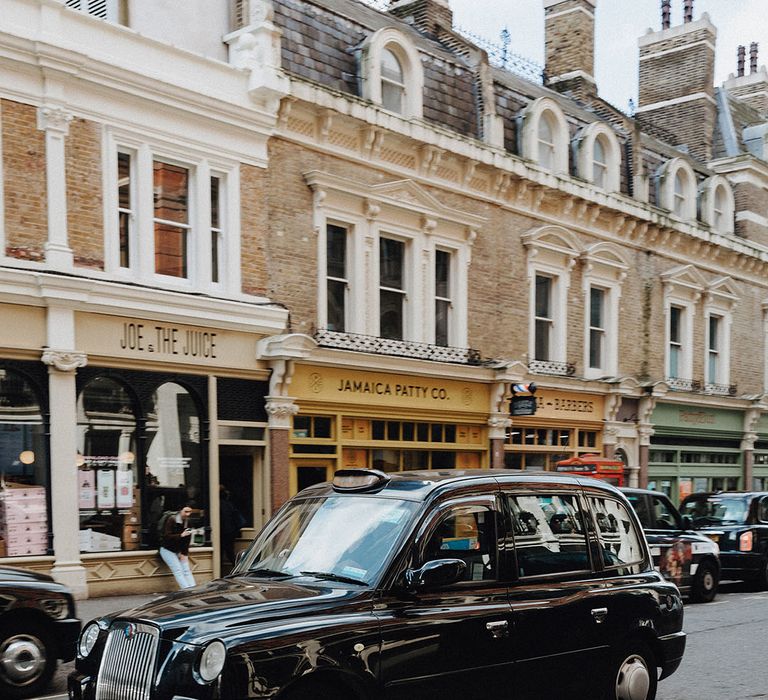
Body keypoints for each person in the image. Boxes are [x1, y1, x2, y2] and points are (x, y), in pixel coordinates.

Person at [159, 504, 196, 589]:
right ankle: (186, 591)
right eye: (186, 511)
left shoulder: (188, 522)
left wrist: (184, 553)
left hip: (179, 550)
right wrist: (181, 535)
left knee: (186, 569)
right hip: (167, 549)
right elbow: (166, 536)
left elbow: (187, 540)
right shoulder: (171, 520)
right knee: (178, 570)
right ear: (180, 511)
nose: (188, 514)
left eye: (190, 512)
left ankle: (194, 590)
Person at [219, 486, 244, 567]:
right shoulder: (229, 504)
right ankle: (237, 568)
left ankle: (237, 568)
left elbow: (224, 519)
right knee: (229, 552)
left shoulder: (218, 505)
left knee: (223, 553)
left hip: (224, 532)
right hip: (230, 532)